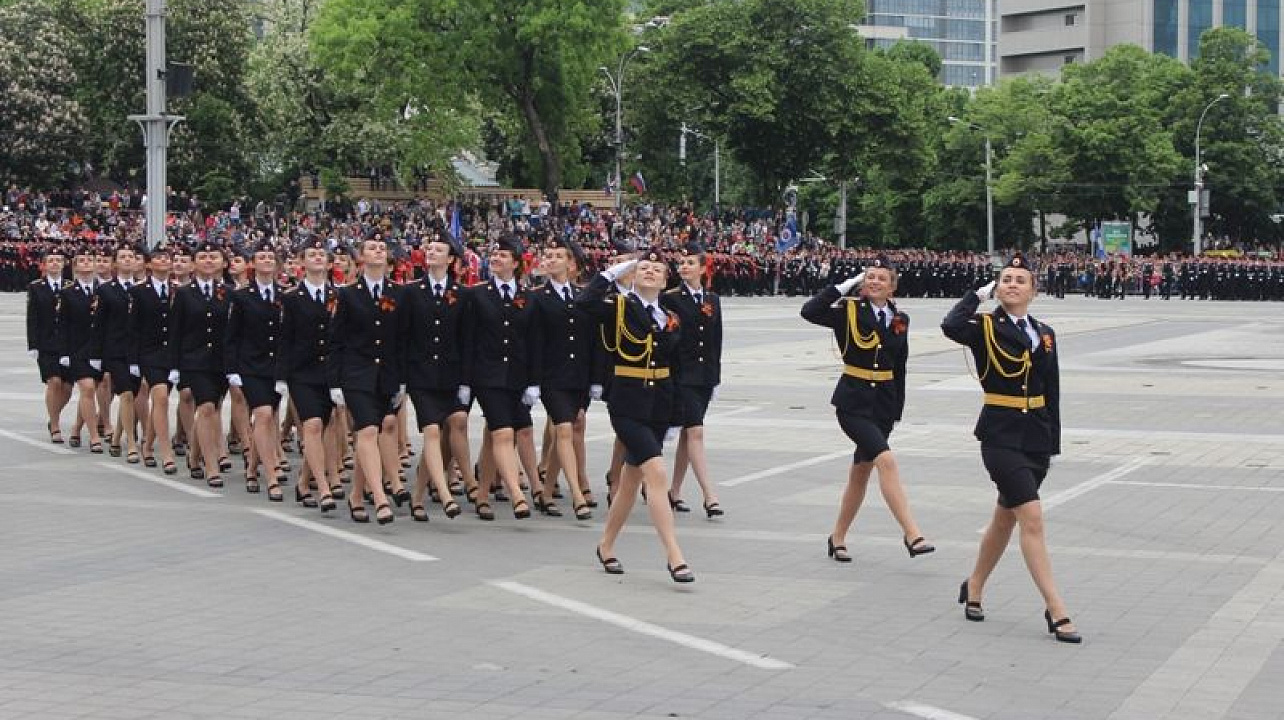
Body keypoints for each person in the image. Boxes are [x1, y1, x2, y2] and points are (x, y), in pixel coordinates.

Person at [941, 253, 1081, 644]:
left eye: (1021, 280)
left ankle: (974, 586)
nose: (1013, 284)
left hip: (1035, 437)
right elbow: (950, 325)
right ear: (997, 288)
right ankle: (1057, 609)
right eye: (1006, 279)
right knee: (1032, 519)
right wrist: (977, 295)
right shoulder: (983, 326)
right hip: (1000, 436)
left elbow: (1051, 389)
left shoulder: (1046, 332)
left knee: (1005, 519)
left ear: (1034, 291)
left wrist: (1052, 440)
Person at [801, 256, 934, 564]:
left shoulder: (901, 318)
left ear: (892, 286)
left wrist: (897, 408)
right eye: (869, 276)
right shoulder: (848, 310)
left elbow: (900, 365)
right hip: (853, 402)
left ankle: (837, 538)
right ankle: (913, 534)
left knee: (860, 474)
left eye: (881, 278)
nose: (874, 281)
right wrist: (840, 288)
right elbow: (809, 311)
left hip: (883, 404)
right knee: (886, 461)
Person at [576, 248, 694, 583]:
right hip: (627, 401)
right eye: (643, 267)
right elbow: (584, 303)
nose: (650, 272)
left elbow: (677, 367)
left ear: (665, 279)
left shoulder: (671, 314)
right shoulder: (619, 306)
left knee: (630, 481)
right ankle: (675, 556)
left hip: (660, 402)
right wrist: (612, 273)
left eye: (657, 269)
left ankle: (606, 545)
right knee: (656, 473)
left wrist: (677, 416)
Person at [460, 234, 539, 521]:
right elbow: (469, 339)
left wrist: (534, 381)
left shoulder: (528, 297)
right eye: (494, 254)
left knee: (498, 435)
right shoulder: (477, 294)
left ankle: (482, 495)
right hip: (487, 376)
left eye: (503, 255)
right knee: (503, 432)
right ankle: (517, 494)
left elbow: (533, 342)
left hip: (518, 377)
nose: (495, 258)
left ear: (516, 263)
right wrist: (466, 382)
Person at [327, 235, 404, 525]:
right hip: (356, 374)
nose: (378, 252)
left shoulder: (397, 294)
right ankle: (381, 499)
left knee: (372, 434)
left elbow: (401, 341)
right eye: (372, 248)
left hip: (385, 376)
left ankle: (356, 495)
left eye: (383, 248)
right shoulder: (347, 294)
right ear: (361, 257)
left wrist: (401, 381)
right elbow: (336, 341)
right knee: (368, 431)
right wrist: (334, 383)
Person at [398, 234, 467, 522]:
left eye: (439, 250)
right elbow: (402, 337)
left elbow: (465, 339)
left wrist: (465, 380)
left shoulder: (461, 293)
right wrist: (401, 379)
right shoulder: (411, 292)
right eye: (429, 249)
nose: (431, 253)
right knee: (432, 432)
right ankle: (446, 494)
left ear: (451, 259)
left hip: (449, 375)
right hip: (421, 375)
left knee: (446, 432)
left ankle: (417, 496)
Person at [529, 236, 593, 520]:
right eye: (548, 254)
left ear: (571, 264)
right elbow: (532, 341)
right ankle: (577, 494)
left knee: (571, 427)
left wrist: (595, 378)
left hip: (577, 375)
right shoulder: (536, 297)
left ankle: (544, 492)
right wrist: (532, 379)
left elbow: (589, 341)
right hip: (551, 376)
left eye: (558, 255)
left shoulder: (582, 295)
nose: (551, 259)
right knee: (564, 429)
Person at [661, 243, 724, 518]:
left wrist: (716, 377)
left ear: (702, 268)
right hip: (682, 375)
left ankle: (674, 491)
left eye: (689, 263)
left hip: (705, 376)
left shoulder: (712, 299)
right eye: (681, 263)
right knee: (696, 432)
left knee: (689, 435)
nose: (684, 267)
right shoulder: (671, 298)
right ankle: (710, 496)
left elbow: (716, 339)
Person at [278, 238, 340, 513]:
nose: (317, 258)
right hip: (301, 373)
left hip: (329, 374)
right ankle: (323, 487)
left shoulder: (339, 296)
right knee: (312, 426)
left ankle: (303, 482)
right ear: (302, 263)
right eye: (311, 254)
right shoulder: (292, 298)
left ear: (329, 264)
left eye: (321, 254)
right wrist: (281, 377)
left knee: (323, 428)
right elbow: (284, 338)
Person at [224, 241, 286, 500]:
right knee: (262, 414)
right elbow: (232, 336)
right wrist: (232, 369)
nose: (267, 261)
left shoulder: (285, 295)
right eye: (262, 256)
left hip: (276, 367)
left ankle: (252, 468)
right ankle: (271, 476)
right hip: (251, 365)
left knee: (270, 416)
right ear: (253, 264)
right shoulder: (241, 296)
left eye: (271, 257)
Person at [168, 241, 232, 487]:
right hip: (193, 361)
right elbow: (175, 333)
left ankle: (194, 458)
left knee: (212, 407)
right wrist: (174, 366)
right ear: (194, 263)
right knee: (205, 408)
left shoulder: (227, 292)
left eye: (212, 256)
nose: (208, 260)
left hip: (220, 362)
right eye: (203, 256)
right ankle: (211, 465)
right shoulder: (184, 294)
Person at [129, 243, 177, 473]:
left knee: (163, 397)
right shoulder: (139, 291)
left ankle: (147, 446)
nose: (163, 262)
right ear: (149, 264)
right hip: (150, 352)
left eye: (166, 258)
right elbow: (133, 328)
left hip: (173, 354)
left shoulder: (178, 290)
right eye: (158, 258)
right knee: (161, 398)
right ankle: (166, 452)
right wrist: (134, 360)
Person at [94, 243, 142, 462]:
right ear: (115, 263)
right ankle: (131, 443)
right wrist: (98, 356)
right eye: (122, 256)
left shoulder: (143, 288)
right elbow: (99, 325)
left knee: (131, 395)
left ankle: (117, 439)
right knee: (126, 394)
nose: (127, 260)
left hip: (138, 352)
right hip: (116, 351)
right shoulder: (105, 290)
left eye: (130, 256)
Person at [59, 244, 104, 453]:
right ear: (75, 268)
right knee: (86, 388)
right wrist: (64, 353)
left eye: (90, 260)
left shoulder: (103, 290)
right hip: (77, 349)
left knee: (92, 389)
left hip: (99, 349)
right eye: (82, 261)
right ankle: (94, 436)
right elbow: (62, 325)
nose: (87, 264)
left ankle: (77, 428)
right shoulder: (67, 293)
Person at [27, 246, 73, 444]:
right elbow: (33, 317)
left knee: (68, 388)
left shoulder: (71, 286)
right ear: (44, 265)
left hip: (68, 344)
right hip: (46, 343)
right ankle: (55, 425)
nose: (55, 263)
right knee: (54, 382)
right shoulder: (36, 287)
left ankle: (53, 414)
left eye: (58, 260)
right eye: (51, 260)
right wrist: (33, 345)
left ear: (64, 264)